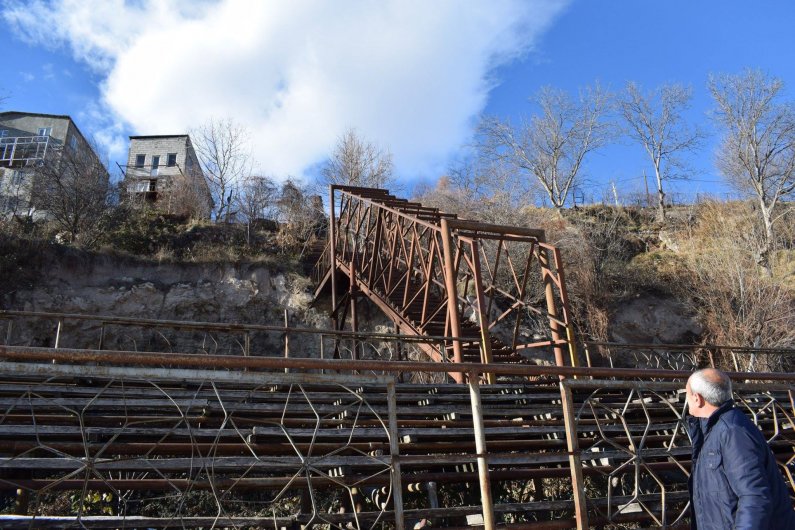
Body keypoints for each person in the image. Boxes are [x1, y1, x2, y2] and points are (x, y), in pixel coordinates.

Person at [685, 368, 795, 530]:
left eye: (686, 394)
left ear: (697, 399)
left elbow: (754, 496)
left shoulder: (732, 432)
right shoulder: (712, 431)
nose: (685, 400)